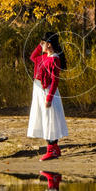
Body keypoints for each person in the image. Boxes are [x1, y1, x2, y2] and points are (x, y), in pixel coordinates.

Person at [27, 32, 68, 160]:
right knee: (44, 118)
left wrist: (49, 98)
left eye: (43, 43)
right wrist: (40, 46)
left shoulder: (54, 59)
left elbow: (55, 81)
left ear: (49, 45)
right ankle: (54, 149)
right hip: (39, 91)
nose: (41, 45)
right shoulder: (44, 57)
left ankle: (52, 149)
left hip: (47, 91)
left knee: (50, 119)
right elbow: (32, 57)